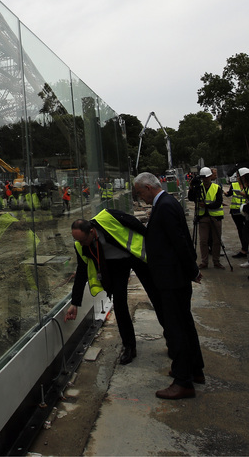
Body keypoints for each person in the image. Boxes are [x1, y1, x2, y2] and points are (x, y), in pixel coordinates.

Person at [131, 172, 204, 400]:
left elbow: (179, 241)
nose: (139, 197)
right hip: (173, 276)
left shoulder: (164, 206)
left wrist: (192, 270)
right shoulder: (166, 203)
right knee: (185, 323)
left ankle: (183, 381)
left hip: (172, 279)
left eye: (140, 192)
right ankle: (193, 369)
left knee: (177, 328)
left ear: (148, 187)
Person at [65, 210, 158, 365]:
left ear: (92, 232)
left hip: (134, 256)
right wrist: (75, 303)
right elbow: (82, 273)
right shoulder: (81, 245)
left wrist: (155, 247)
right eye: (78, 241)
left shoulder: (108, 218)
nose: (81, 244)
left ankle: (172, 338)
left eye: (83, 240)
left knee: (156, 294)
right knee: (119, 303)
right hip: (115, 266)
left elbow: (136, 224)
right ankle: (129, 346)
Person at [193, 167, 225, 269]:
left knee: (216, 240)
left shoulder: (216, 188)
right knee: (203, 241)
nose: (205, 180)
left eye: (207, 177)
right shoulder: (199, 187)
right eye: (203, 178)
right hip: (203, 217)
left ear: (210, 177)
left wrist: (206, 206)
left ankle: (216, 261)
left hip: (215, 217)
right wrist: (192, 185)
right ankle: (204, 261)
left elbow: (219, 202)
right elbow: (191, 197)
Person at [228, 168, 249, 259]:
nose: (237, 177)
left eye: (238, 176)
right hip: (236, 211)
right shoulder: (234, 185)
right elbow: (229, 193)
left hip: (247, 211)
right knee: (241, 230)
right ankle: (244, 248)